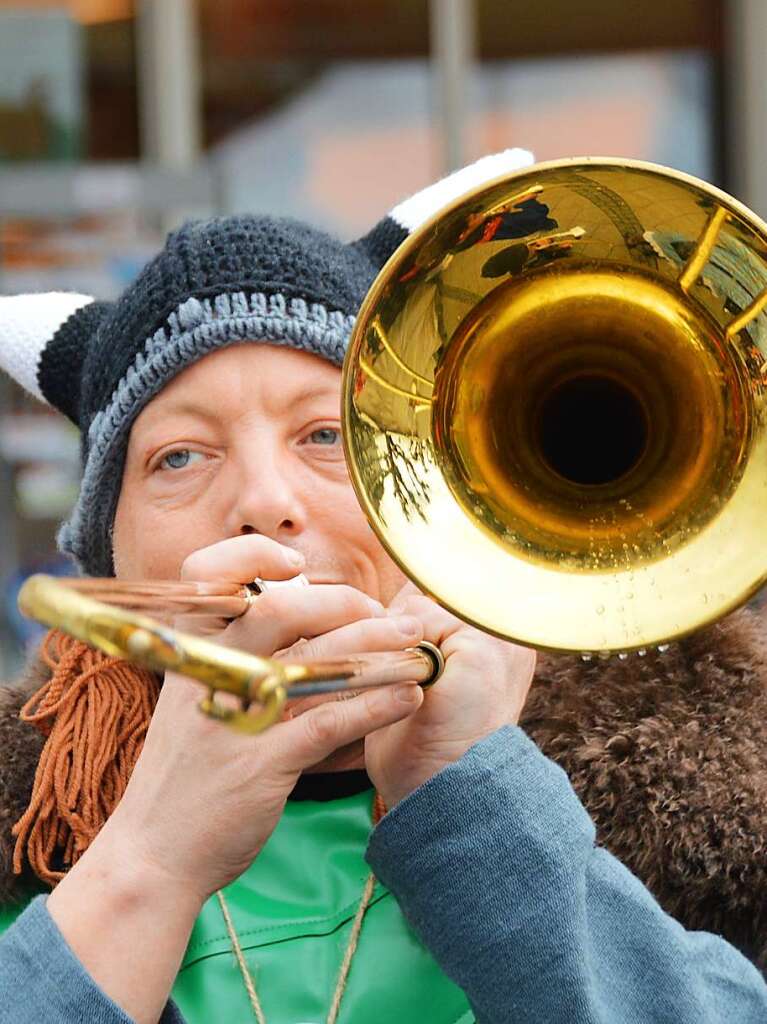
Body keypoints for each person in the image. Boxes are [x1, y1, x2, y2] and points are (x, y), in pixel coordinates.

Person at [0, 149, 765, 1024]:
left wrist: (472, 795)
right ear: (114, 558)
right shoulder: (31, 826)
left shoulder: (715, 807)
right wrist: (149, 861)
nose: (264, 502)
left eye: (325, 435)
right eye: (179, 456)